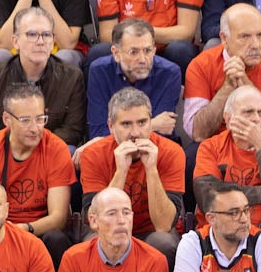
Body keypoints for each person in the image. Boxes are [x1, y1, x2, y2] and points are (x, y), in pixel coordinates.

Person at [76, 87, 187, 262]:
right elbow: (96, 222)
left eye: (142, 123)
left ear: (151, 122)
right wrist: (121, 171)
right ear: (111, 126)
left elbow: (164, 225)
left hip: (151, 231)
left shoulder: (171, 152)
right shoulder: (93, 154)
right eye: (126, 124)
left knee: (163, 242)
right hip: (108, 229)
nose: (135, 133)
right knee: (94, 243)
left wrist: (151, 169)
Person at [0, 81, 76, 246]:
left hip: (38, 232)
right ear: (7, 119)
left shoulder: (56, 148)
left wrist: (24, 228)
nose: (35, 128)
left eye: (40, 119)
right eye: (25, 120)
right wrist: (0, 230)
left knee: (56, 238)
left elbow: (59, 217)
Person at [183, 3, 261, 141]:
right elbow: (197, 132)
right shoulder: (200, 66)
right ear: (224, 38)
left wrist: (247, 85)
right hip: (218, 143)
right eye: (245, 36)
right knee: (192, 155)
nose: (256, 44)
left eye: (260, 35)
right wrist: (227, 88)